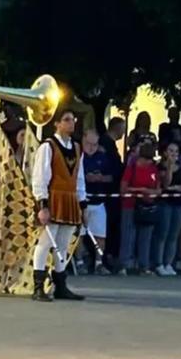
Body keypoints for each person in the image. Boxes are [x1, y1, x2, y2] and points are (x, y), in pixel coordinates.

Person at [31, 110, 87, 301]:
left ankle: (60, 285)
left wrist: (82, 204)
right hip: (54, 197)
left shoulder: (77, 148)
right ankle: (38, 286)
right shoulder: (48, 147)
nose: (71, 123)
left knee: (62, 245)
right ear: (57, 124)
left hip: (69, 198)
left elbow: (79, 179)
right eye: (67, 120)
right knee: (46, 242)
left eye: (73, 120)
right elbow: (40, 176)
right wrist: (43, 204)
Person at [119, 140, 160, 275]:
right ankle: (124, 265)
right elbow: (123, 188)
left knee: (146, 236)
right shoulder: (132, 168)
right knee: (128, 235)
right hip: (131, 205)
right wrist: (140, 190)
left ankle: (144, 265)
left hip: (147, 206)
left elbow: (158, 189)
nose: (148, 162)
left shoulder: (153, 169)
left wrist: (151, 193)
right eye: (146, 159)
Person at [79, 130, 117, 274]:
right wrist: (86, 177)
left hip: (99, 202)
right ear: (83, 141)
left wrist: (100, 178)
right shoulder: (78, 156)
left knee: (100, 235)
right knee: (79, 234)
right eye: (88, 144)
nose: (91, 147)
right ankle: (80, 261)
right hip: (82, 201)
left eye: (94, 144)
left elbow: (111, 177)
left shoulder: (103, 157)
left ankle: (99, 263)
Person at [152, 141, 181, 276]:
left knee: (174, 235)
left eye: (176, 151)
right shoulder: (160, 167)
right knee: (163, 234)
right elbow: (166, 183)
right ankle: (159, 263)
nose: (174, 154)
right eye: (171, 151)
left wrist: (176, 188)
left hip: (179, 204)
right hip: (165, 203)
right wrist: (169, 167)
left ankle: (169, 263)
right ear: (165, 153)